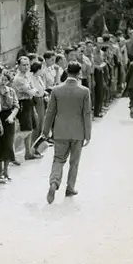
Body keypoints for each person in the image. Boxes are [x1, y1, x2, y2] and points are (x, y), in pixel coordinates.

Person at [42, 61, 92, 205]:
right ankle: (70, 188)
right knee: (74, 162)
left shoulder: (56, 90)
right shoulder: (84, 91)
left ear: (66, 71)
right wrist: (88, 134)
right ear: (79, 73)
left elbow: (50, 112)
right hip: (78, 132)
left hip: (60, 131)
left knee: (58, 159)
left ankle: (54, 182)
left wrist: (45, 131)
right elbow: (87, 113)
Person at [12, 56, 38, 160]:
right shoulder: (19, 79)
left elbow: (33, 89)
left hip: (29, 102)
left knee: (30, 129)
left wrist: (33, 90)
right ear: (18, 66)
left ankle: (28, 152)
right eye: (23, 65)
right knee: (25, 129)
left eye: (27, 64)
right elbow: (31, 91)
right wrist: (33, 90)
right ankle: (12, 153)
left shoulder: (27, 76)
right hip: (22, 103)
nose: (26, 67)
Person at [0, 70, 19, 180]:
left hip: (9, 119)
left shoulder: (11, 91)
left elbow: (16, 105)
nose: (4, 82)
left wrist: (12, 116)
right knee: (0, 145)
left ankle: (6, 170)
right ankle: (0, 171)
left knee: (9, 145)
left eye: (6, 80)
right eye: (2, 79)